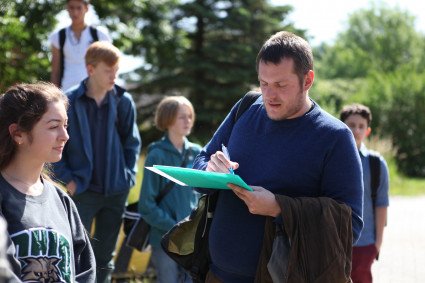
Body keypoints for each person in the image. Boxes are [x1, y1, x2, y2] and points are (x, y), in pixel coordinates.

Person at [192, 31, 364, 282]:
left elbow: (350, 227)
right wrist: (209, 170)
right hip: (215, 274)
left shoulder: (335, 137)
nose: (269, 95)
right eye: (264, 83)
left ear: (308, 80)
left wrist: (279, 208)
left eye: (281, 85)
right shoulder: (246, 107)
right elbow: (200, 162)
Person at [52, 41, 141, 283]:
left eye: (116, 70)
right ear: (90, 69)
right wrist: (68, 180)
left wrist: (128, 177)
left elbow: (131, 143)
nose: (114, 75)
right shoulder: (68, 101)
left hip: (116, 191)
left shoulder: (124, 101)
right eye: (108, 70)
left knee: (104, 258)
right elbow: (56, 144)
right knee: (72, 251)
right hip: (82, 190)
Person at [0, 82, 96, 282]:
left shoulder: (61, 200)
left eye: (65, 125)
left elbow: (85, 270)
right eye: (54, 126)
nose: (65, 136)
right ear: (18, 133)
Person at [138, 96, 202, 283]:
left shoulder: (197, 152)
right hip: (164, 239)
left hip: (191, 240)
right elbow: (146, 205)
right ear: (168, 119)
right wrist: (174, 227)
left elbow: (200, 195)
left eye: (190, 116)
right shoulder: (156, 154)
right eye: (182, 116)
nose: (188, 120)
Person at [340, 103, 389, 283]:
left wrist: (377, 244)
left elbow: (381, 204)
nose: (356, 130)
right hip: (336, 241)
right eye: (351, 125)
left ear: (367, 131)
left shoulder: (376, 164)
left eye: (361, 126)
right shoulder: (331, 158)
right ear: (342, 126)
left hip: (365, 242)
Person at [49, 0, 111, 91]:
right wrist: (54, 95)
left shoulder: (100, 35)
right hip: (66, 92)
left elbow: (108, 66)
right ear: (67, 8)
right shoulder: (58, 36)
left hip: (93, 92)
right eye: (72, 8)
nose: (75, 12)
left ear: (86, 8)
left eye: (79, 8)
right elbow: (55, 71)